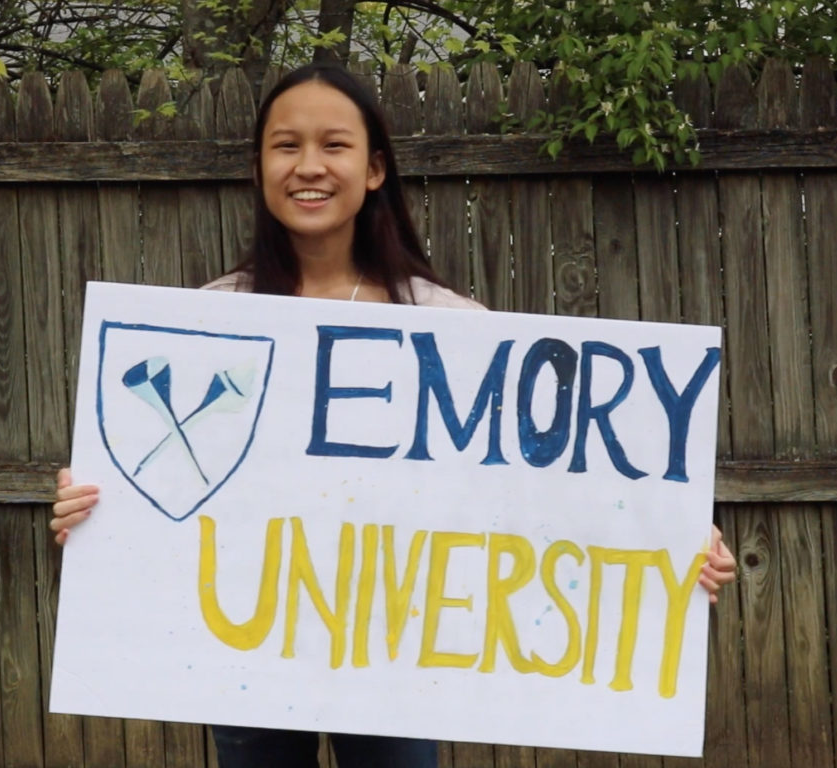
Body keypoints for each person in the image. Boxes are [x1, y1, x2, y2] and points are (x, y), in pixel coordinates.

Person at [50, 62, 737, 768]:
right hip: (246, 650)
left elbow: (543, 483)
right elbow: (160, 484)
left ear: (375, 169)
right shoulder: (206, 321)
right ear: (258, 168)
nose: (308, 166)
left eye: (334, 145)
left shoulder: (450, 327)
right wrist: (94, 509)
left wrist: (668, 532)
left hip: (393, 654)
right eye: (286, 145)